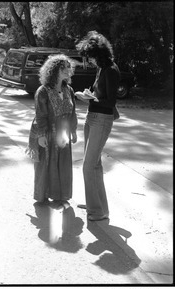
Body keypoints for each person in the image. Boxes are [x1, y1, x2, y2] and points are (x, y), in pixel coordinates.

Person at [76, 31, 120, 221]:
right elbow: (98, 93)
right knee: (94, 165)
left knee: (88, 166)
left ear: (99, 54)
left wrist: (91, 99)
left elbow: (110, 102)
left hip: (102, 119)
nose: (89, 61)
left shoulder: (111, 69)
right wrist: (89, 94)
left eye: (91, 57)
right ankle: (95, 203)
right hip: (92, 116)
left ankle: (97, 211)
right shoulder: (101, 68)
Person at [25, 54, 77, 209]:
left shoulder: (69, 90)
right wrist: (41, 135)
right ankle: (43, 195)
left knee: (63, 164)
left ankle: (61, 196)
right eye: (64, 68)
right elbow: (40, 115)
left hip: (63, 133)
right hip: (47, 131)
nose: (68, 70)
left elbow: (73, 113)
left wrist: (73, 131)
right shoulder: (43, 91)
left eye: (69, 67)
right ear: (54, 70)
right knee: (46, 164)